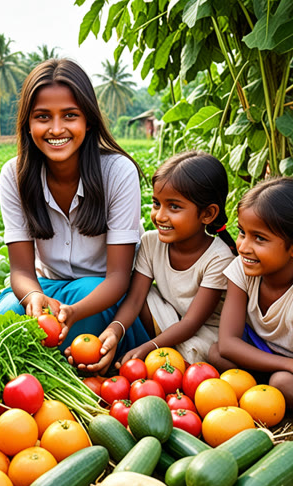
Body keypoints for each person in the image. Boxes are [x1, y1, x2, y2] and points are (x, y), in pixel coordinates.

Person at [0, 58, 149, 374]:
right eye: (43, 117)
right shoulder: (14, 175)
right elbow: (20, 269)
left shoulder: (117, 172)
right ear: (28, 124)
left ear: (88, 121)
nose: (56, 129)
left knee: (79, 315)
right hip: (46, 287)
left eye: (70, 116)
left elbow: (117, 278)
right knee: (1, 321)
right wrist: (32, 296)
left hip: (100, 294)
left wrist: (73, 312)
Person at [100, 151, 237, 367]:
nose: (160, 216)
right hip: (170, 317)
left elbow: (193, 322)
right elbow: (136, 299)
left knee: (206, 356)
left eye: (174, 206)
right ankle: (163, 352)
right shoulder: (151, 242)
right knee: (130, 292)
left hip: (204, 331)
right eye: (156, 203)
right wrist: (115, 329)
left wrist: (149, 347)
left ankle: (165, 354)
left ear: (208, 214)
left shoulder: (218, 257)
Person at [208, 177, 293, 408]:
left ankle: (263, 389)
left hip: (284, 370)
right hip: (273, 357)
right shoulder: (242, 269)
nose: (243, 247)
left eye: (260, 238)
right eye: (243, 233)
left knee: (284, 383)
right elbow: (227, 343)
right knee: (216, 354)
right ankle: (264, 392)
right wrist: (286, 364)